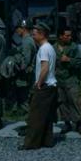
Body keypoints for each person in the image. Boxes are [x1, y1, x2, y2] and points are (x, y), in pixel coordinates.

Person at [19, 22, 58, 150]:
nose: (33, 36)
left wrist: (39, 83)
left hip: (44, 85)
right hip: (50, 85)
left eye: (34, 34)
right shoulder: (50, 47)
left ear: (41, 34)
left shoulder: (44, 49)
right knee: (46, 116)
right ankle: (47, 140)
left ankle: (31, 143)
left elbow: (45, 67)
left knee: (35, 116)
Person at [55, 27, 81, 135]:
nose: (69, 37)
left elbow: (80, 62)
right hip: (59, 80)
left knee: (73, 101)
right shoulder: (54, 48)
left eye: (70, 35)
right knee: (62, 102)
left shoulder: (73, 47)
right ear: (60, 36)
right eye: (67, 35)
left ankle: (78, 123)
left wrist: (69, 60)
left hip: (71, 79)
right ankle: (66, 123)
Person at [13, 19, 37, 117]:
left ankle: (31, 124)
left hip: (25, 76)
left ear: (23, 29)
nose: (16, 31)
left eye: (17, 28)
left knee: (24, 100)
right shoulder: (28, 40)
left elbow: (25, 61)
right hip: (27, 74)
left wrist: (17, 68)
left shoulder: (27, 41)